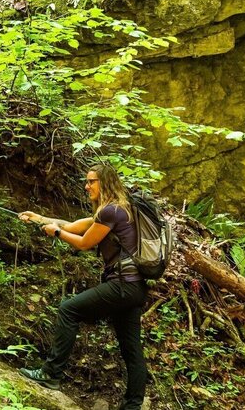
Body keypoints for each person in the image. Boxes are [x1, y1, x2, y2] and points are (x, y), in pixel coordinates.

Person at [17, 163, 148, 410]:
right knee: (131, 348)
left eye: (91, 181)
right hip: (134, 288)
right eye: (86, 181)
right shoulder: (118, 209)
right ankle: (133, 405)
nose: (87, 186)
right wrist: (39, 219)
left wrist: (56, 234)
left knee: (68, 309)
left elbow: (84, 243)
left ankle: (51, 374)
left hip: (122, 285)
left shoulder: (110, 211)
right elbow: (72, 225)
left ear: (105, 183)